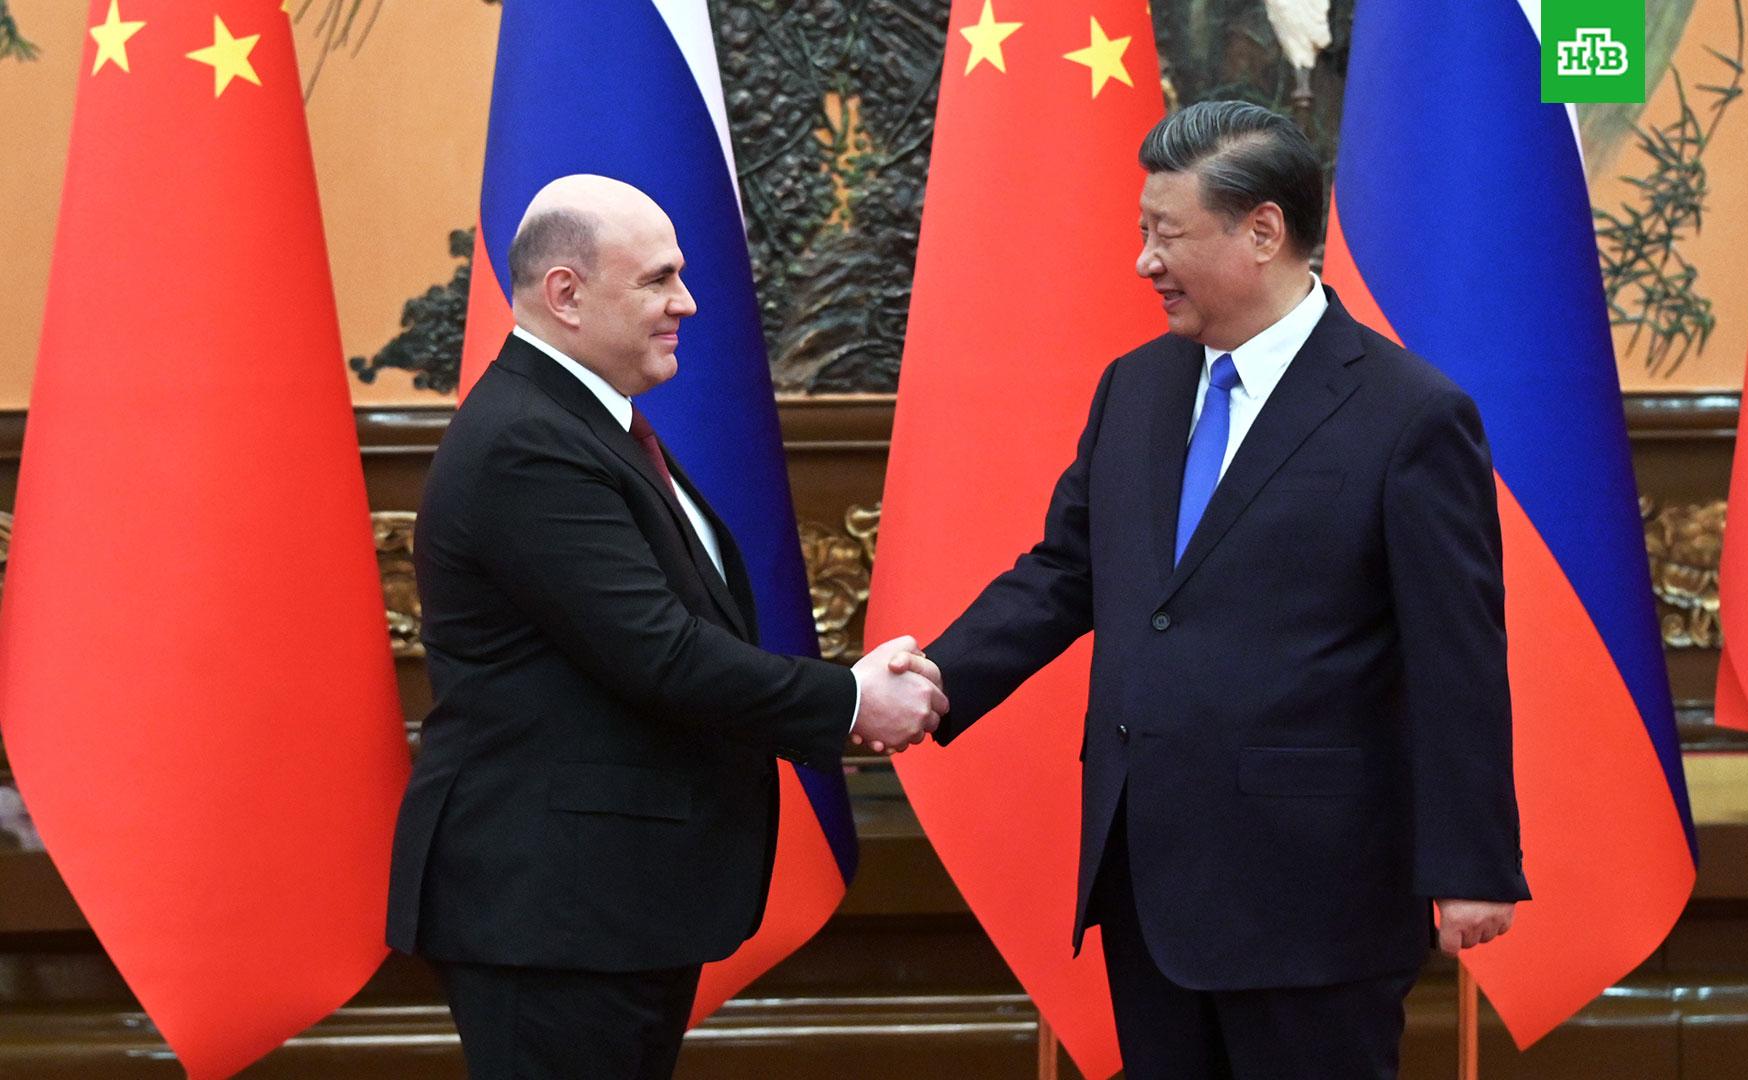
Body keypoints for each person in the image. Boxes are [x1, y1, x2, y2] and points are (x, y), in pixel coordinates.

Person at [920, 102, 1529, 1078]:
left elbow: (1456, 656)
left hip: (1314, 896)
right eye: (1142, 231)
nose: (1144, 262)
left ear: (1263, 231)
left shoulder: (1409, 415)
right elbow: (1067, 572)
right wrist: (932, 680)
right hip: (1147, 878)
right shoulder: (1135, 388)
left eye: (1167, 234)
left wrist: (1472, 865)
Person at [385, 174, 944, 1080]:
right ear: (566, 294)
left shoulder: (584, 424)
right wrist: (848, 700)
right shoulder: (529, 441)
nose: (687, 302)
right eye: (658, 279)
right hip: (552, 912)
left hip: (607, 902)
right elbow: (662, 654)